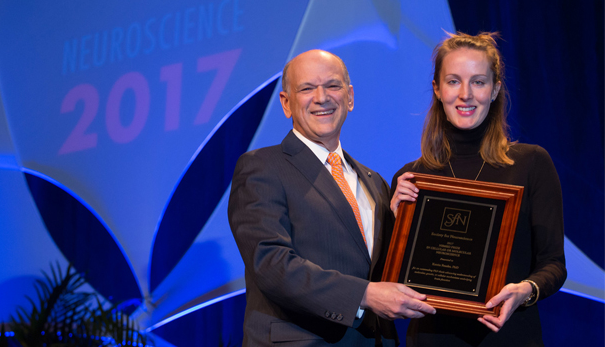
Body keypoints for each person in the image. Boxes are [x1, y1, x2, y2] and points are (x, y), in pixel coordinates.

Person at [228, 49, 436, 346]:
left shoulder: (375, 182)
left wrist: (402, 224)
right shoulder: (262, 168)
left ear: (349, 97)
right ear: (286, 103)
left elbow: (379, 270)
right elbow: (271, 264)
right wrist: (364, 295)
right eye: (307, 88)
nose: (322, 97)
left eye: (333, 86)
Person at [390, 32, 566, 346]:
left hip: (508, 337)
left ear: (496, 89)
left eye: (479, 82)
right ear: (437, 89)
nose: (466, 95)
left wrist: (525, 290)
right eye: (454, 81)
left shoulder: (532, 164)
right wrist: (397, 224)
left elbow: (553, 264)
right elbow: (392, 284)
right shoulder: (412, 179)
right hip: (433, 340)